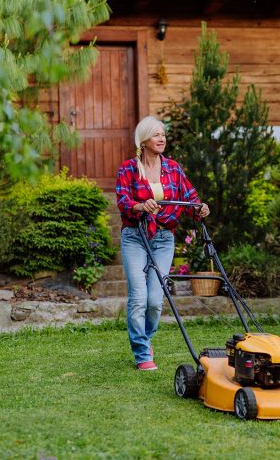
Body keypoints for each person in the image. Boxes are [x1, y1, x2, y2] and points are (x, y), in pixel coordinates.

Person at [116, 115, 210, 371]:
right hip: (135, 236)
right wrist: (140, 205)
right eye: (156, 134)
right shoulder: (128, 169)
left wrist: (199, 208)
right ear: (144, 140)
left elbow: (189, 196)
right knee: (138, 296)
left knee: (155, 300)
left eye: (163, 135)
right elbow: (124, 202)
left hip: (163, 238)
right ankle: (142, 353)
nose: (162, 139)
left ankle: (144, 338)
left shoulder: (173, 168)